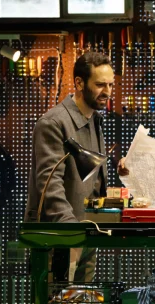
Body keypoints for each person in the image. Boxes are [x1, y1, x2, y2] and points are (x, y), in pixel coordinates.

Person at [25, 52, 126, 283]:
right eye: (100, 85)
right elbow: (49, 184)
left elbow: (90, 177)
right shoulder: (54, 122)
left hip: (87, 231)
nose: (108, 92)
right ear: (79, 83)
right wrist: (71, 230)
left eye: (110, 84)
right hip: (62, 236)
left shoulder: (94, 119)